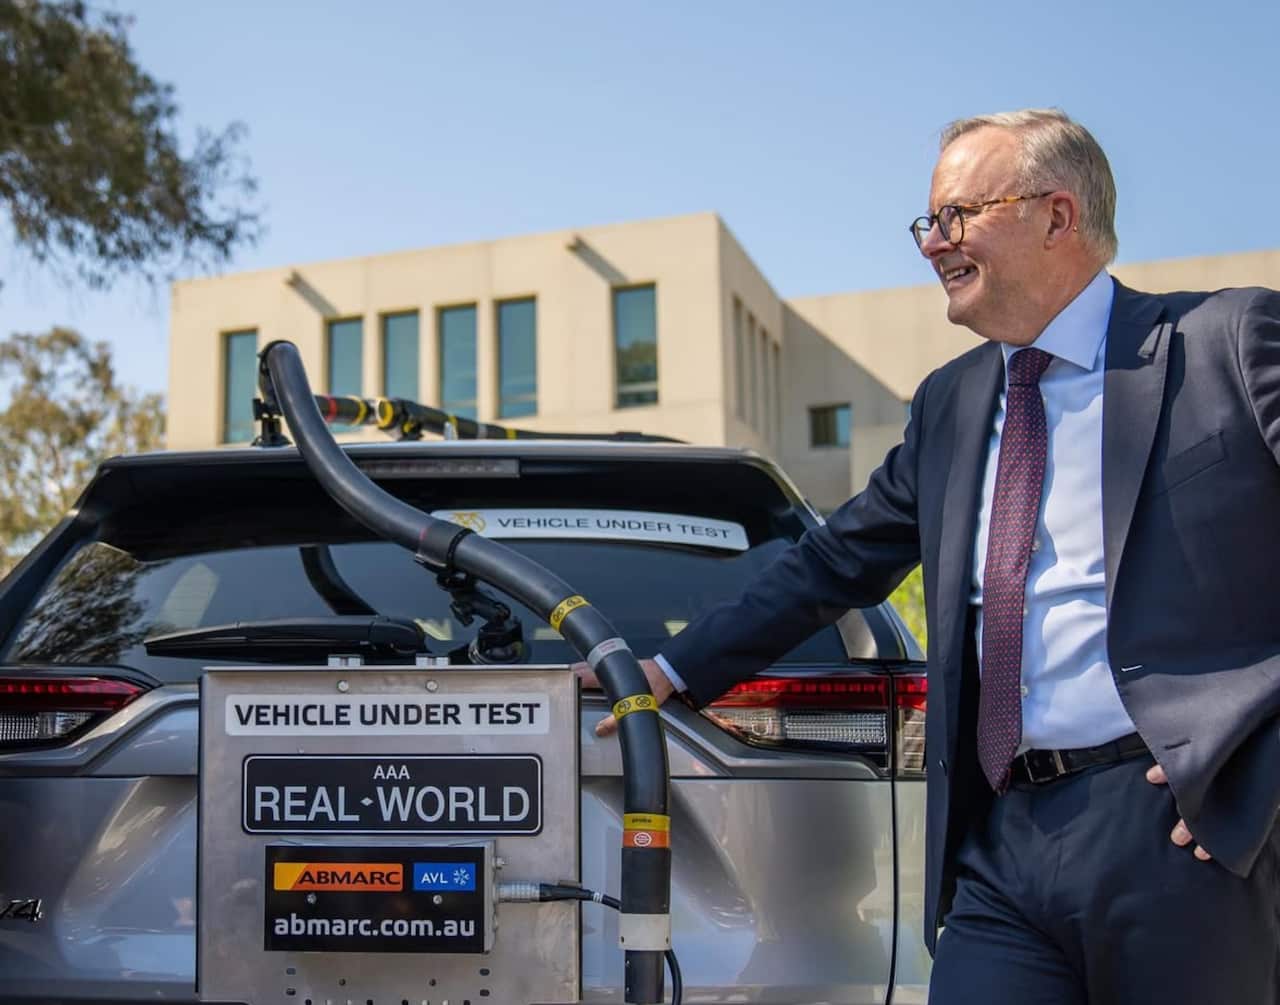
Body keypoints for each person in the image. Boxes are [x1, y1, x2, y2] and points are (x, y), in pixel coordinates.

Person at [578, 108, 1280, 1003]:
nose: (931, 243)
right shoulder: (951, 401)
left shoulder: (1226, 342)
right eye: (928, 222)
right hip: (1000, 844)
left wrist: (1262, 765)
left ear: (1057, 216)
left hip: (1183, 830)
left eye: (956, 215)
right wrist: (670, 666)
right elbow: (835, 562)